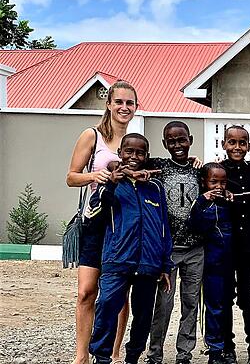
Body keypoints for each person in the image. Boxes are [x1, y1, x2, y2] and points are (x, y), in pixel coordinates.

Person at [85, 133, 173, 364]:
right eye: (129, 151)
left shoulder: (155, 187)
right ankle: (101, 356)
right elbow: (94, 214)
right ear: (120, 154)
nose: (134, 156)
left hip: (149, 263)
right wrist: (112, 183)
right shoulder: (109, 183)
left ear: (147, 156)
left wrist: (165, 264)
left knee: (143, 315)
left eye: (140, 152)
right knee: (106, 306)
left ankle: (133, 356)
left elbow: (164, 227)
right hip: (117, 259)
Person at [66, 80, 137, 364]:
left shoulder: (135, 143)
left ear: (135, 108)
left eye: (129, 103)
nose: (124, 107)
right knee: (86, 292)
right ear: (108, 104)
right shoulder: (91, 136)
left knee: (119, 294)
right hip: (95, 223)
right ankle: (81, 355)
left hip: (122, 226)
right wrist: (95, 177)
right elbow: (71, 176)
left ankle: (114, 353)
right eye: (118, 102)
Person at [145, 121, 204, 364]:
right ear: (164, 144)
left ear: (190, 139)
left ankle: (184, 354)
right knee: (163, 304)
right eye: (172, 141)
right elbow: (128, 161)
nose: (178, 145)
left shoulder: (200, 170)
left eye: (182, 140)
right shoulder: (158, 166)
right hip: (168, 251)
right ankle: (155, 353)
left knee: (191, 303)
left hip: (196, 249)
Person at [220, 125, 250, 364]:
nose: (237, 147)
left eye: (242, 143)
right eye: (232, 142)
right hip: (226, 245)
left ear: (248, 145)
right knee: (225, 296)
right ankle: (227, 347)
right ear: (224, 144)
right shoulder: (218, 171)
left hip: (249, 245)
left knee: (247, 296)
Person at [188, 163, 236, 364]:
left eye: (222, 182)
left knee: (226, 305)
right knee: (214, 306)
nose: (218, 186)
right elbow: (193, 224)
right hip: (211, 264)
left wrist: (231, 201)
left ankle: (226, 346)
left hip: (229, 264)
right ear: (204, 182)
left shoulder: (228, 202)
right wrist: (201, 201)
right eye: (213, 182)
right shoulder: (200, 204)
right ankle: (214, 350)